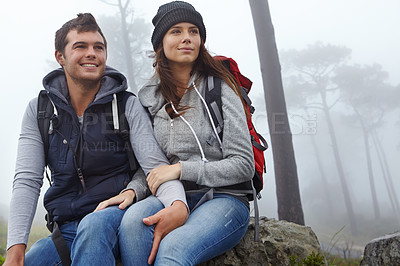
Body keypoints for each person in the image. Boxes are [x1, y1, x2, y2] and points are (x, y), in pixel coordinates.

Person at [4, 13, 188, 266]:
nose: (92, 53)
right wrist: (15, 250)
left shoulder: (126, 105)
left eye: (98, 47)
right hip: (68, 229)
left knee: (93, 225)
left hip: (118, 217)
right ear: (60, 57)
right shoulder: (41, 110)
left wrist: (178, 204)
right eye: (80, 46)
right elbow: (27, 180)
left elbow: (156, 168)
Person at [117, 1, 255, 265]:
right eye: (176, 31)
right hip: (172, 195)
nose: (187, 38)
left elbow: (243, 165)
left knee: (174, 250)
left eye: (193, 31)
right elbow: (153, 165)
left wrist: (181, 169)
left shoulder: (220, 87)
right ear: (161, 42)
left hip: (225, 199)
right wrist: (134, 189)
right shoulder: (150, 97)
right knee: (133, 223)